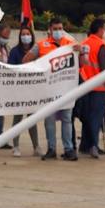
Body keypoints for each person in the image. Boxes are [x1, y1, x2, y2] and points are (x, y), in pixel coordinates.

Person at [75, 18, 105, 159]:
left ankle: (85, 146)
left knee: (87, 117)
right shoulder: (101, 45)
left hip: (85, 85)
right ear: (99, 29)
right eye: (104, 28)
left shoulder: (84, 44)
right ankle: (93, 146)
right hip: (99, 88)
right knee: (96, 118)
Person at [38, 20, 78, 160]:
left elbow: (83, 62)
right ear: (50, 29)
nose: (58, 31)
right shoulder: (41, 45)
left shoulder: (70, 44)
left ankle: (69, 149)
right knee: (49, 120)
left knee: (67, 119)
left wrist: (81, 51)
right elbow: (28, 60)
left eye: (60, 28)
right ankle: (51, 149)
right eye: (55, 28)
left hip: (66, 89)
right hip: (49, 90)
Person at [7, 26, 43, 157]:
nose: (26, 36)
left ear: (32, 35)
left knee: (32, 119)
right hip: (19, 89)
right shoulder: (15, 51)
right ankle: (15, 146)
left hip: (33, 89)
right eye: (23, 34)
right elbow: (11, 68)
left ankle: (36, 146)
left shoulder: (37, 50)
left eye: (28, 34)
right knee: (17, 119)